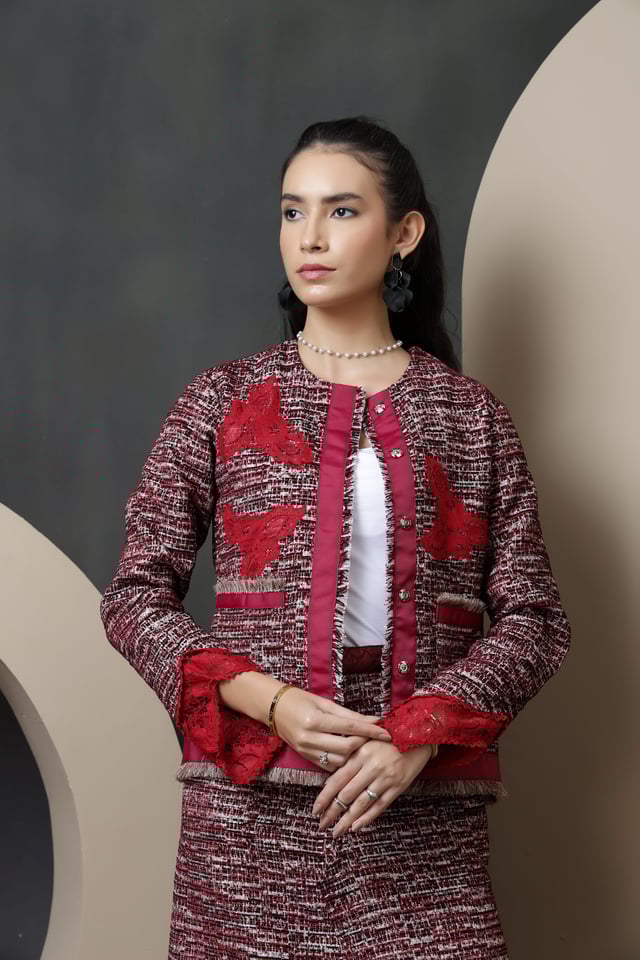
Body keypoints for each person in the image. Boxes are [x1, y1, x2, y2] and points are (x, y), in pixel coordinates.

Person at [100, 115, 571, 959]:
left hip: (424, 822)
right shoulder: (221, 401)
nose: (309, 237)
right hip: (245, 828)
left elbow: (536, 620)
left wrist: (418, 734)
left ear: (404, 233)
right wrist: (269, 700)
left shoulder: (473, 418)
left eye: (342, 211)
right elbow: (134, 598)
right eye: (293, 212)